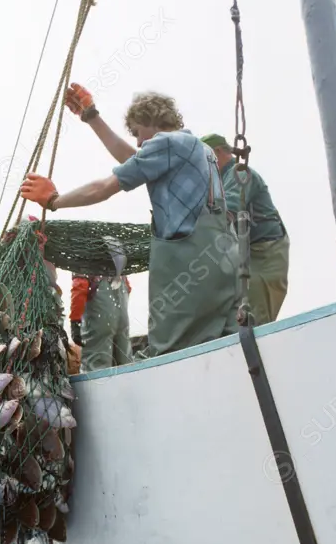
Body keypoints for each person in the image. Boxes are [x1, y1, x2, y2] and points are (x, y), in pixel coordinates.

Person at [20, 85, 240, 357]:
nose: (137, 142)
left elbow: (104, 187)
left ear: (151, 120)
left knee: (173, 351)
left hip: (188, 265)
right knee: (223, 346)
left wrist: (54, 200)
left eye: (137, 133)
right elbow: (137, 161)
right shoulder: (199, 150)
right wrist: (92, 117)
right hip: (224, 263)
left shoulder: (167, 144)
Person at [201, 134, 289, 326]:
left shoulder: (238, 172)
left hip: (264, 254)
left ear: (216, 152)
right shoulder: (221, 179)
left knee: (258, 320)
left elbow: (228, 211)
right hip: (248, 255)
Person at [70, 273, 132, 371]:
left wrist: (75, 320)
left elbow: (80, 285)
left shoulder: (85, 260)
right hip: (121, 308)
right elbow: (128, 288)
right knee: (124, 359)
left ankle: (98, 384)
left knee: (96, 363)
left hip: (99, 316)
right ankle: (129, 382)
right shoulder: (118, 260)